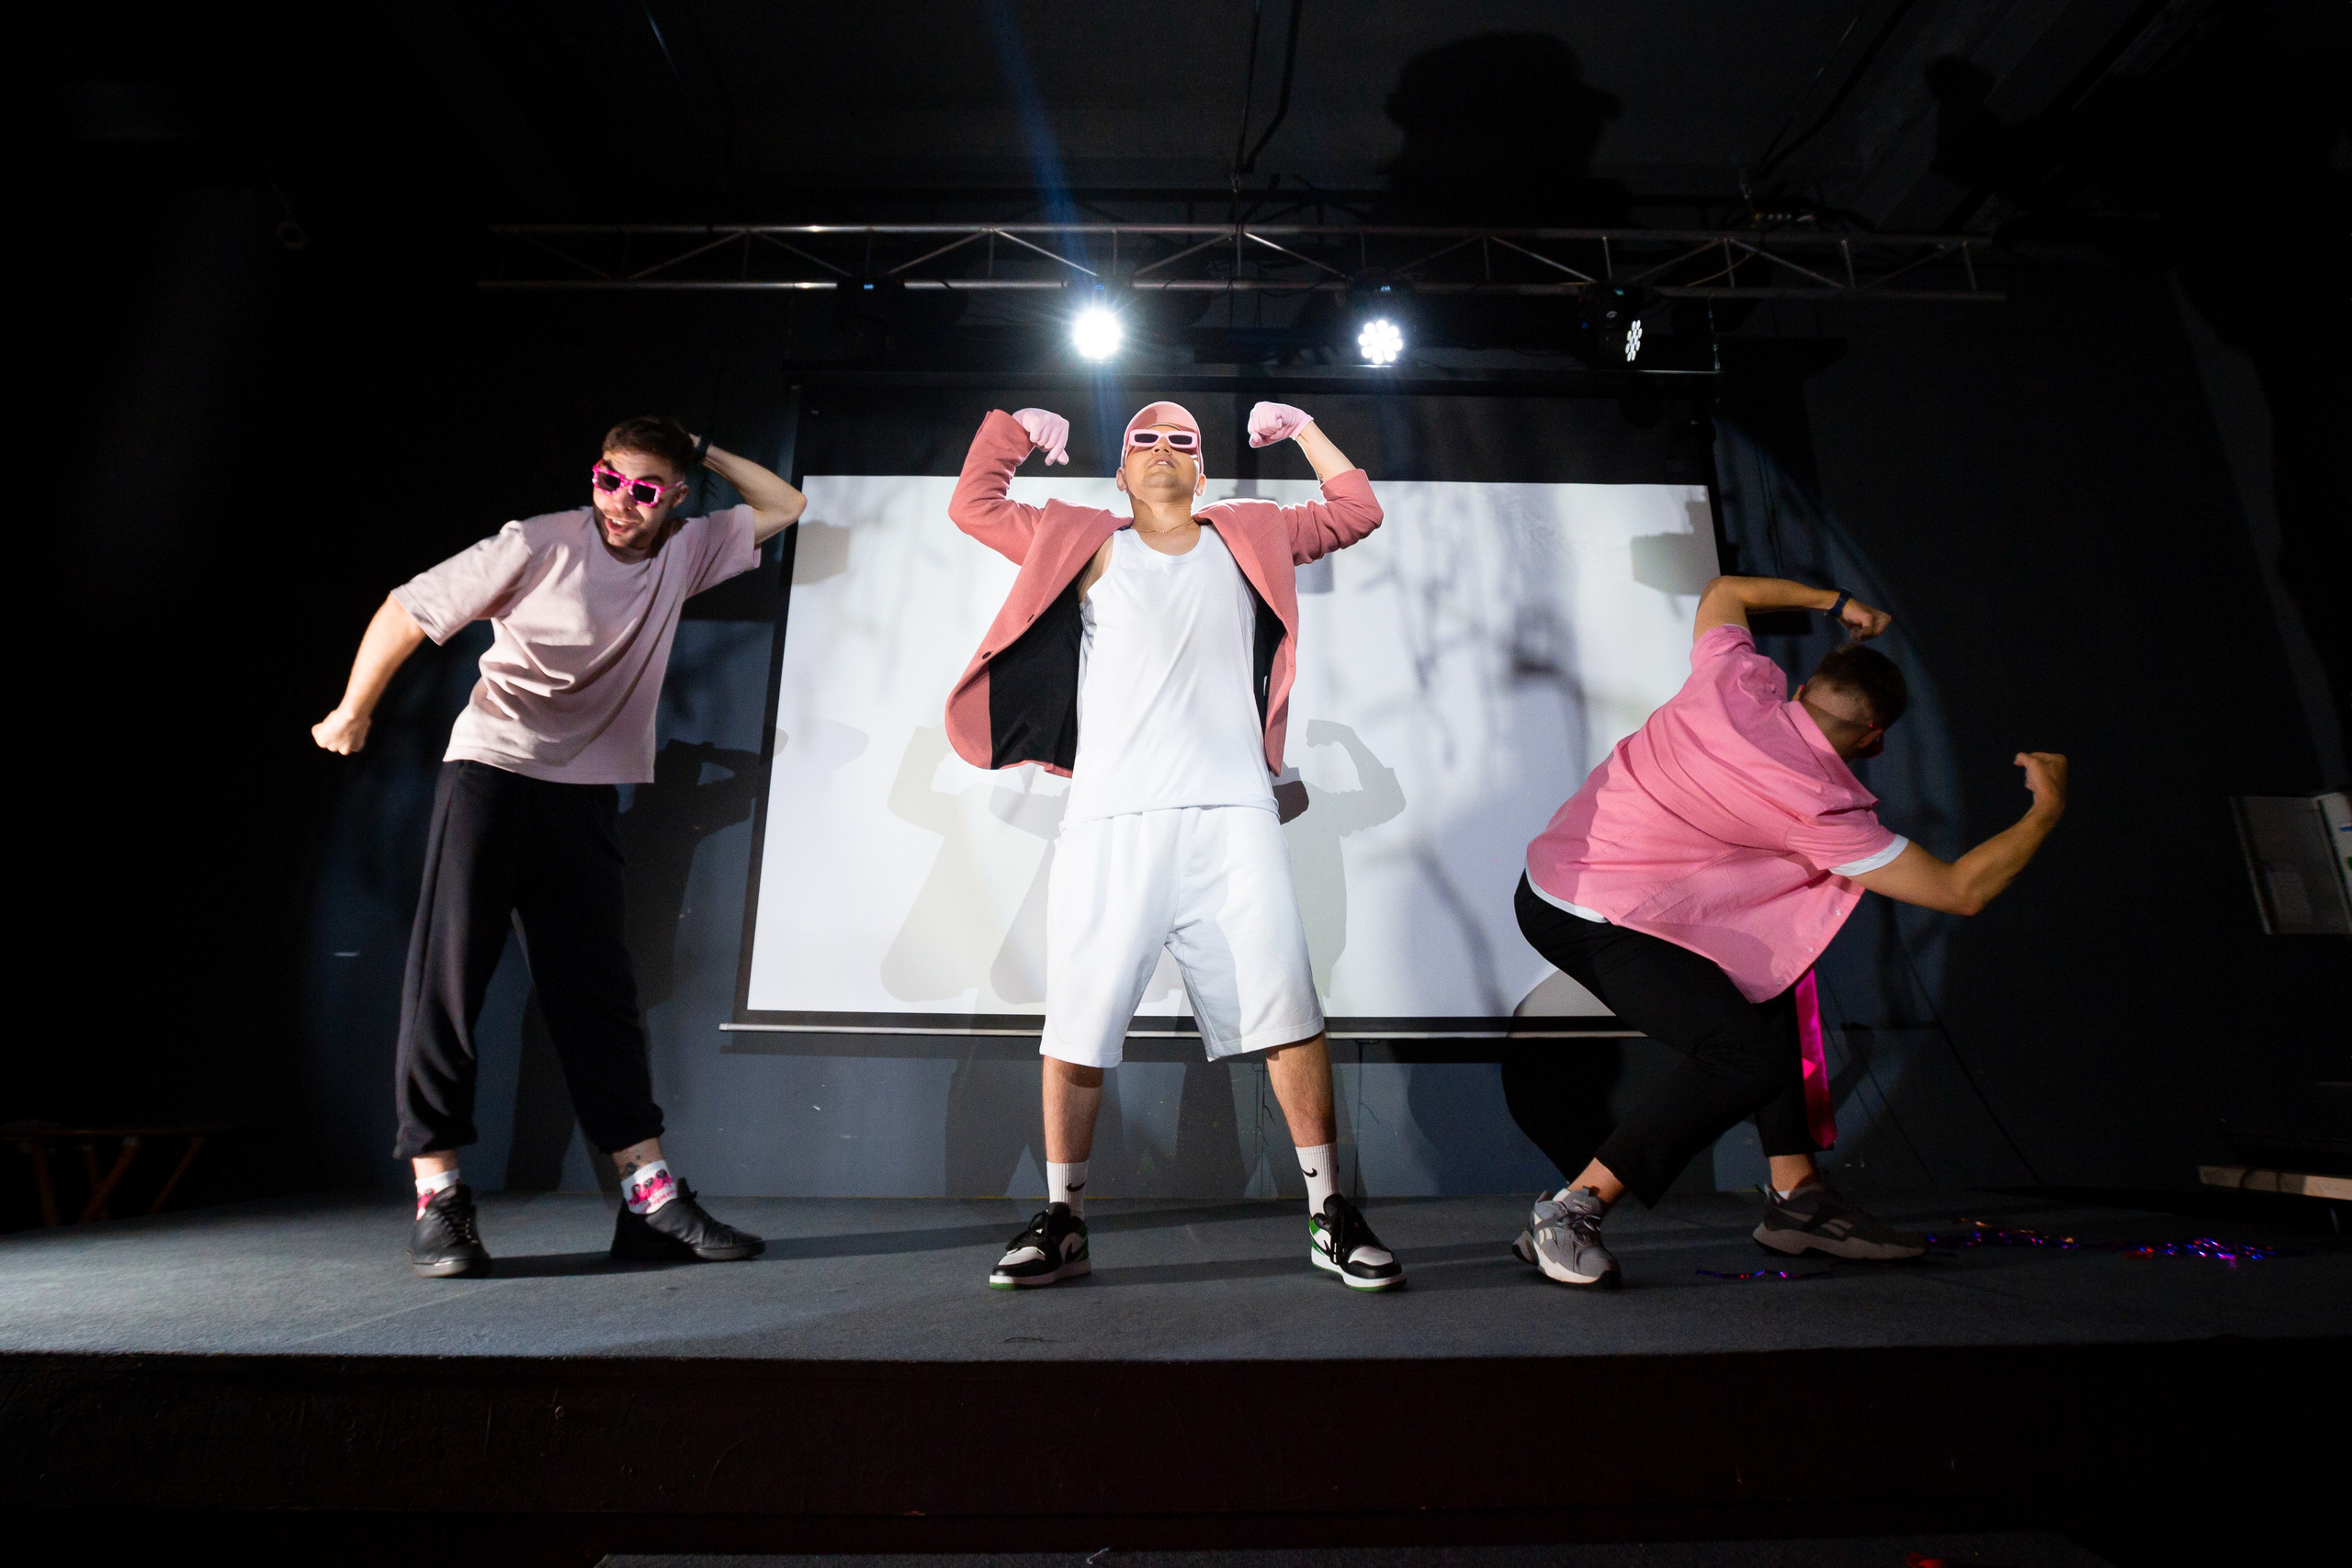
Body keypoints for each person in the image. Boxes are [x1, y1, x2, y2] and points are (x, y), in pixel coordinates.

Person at [312, 416, 806, 1279]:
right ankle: (438, 1197)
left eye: (644, 490)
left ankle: (649, 1200)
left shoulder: (687, 551)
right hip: (493, 774)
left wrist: (701, 447)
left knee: (599, 998)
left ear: (676, 497)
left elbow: (785, 503)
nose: (620, 503)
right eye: (608, 480)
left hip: (585, 796)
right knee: (450, 986)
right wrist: (355, 708)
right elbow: (408, 607)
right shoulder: (539, 542)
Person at [946, 400, 1405, 1291]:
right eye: (1143, 440)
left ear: (1202, 471)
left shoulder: (1250, 534)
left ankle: (1327, 1214)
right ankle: (1065, 1220)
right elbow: (974, 505)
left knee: (1287, 1012)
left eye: (1181, 441)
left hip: (1233, 814)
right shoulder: (1079, 538)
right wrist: (1014, 430)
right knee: (1077, 1024)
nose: (1161, 449)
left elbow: (1356, 510)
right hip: (1111, 819)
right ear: (1120, 472)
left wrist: (1303, 429)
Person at [1505, 574, 2068, 1288]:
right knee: (1745, 1056)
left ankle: (1796, 1194)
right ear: (1874, 740)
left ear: (1800, 690)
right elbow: (1962, 889)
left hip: (1557, 879)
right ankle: (1571, 1209)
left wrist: (1837, 604)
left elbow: (1723, 592)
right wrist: (2046, 810)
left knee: (1767, 971)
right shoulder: (1823, 810)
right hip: (1590, 915)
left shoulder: (1733, 682)